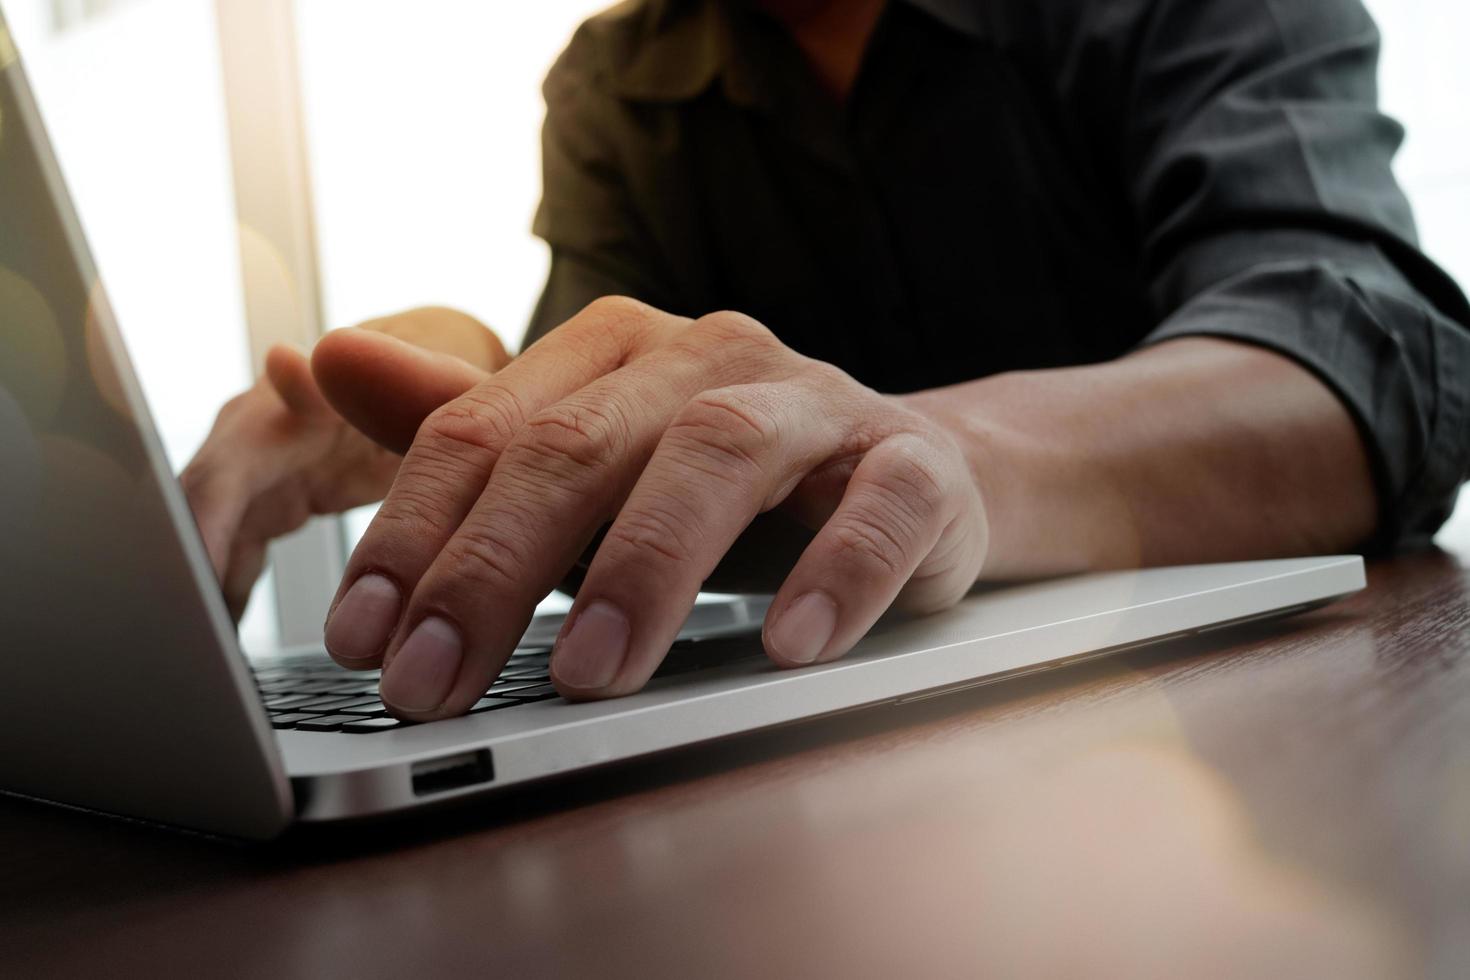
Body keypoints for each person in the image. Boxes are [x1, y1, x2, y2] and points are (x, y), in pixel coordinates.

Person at [185, 0, 1470, 722]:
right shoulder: (618, 82)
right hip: (817, 761)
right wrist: (462, 381)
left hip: (1241, 722)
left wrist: (933, 456)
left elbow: (1365, 352)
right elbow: (611, 369)